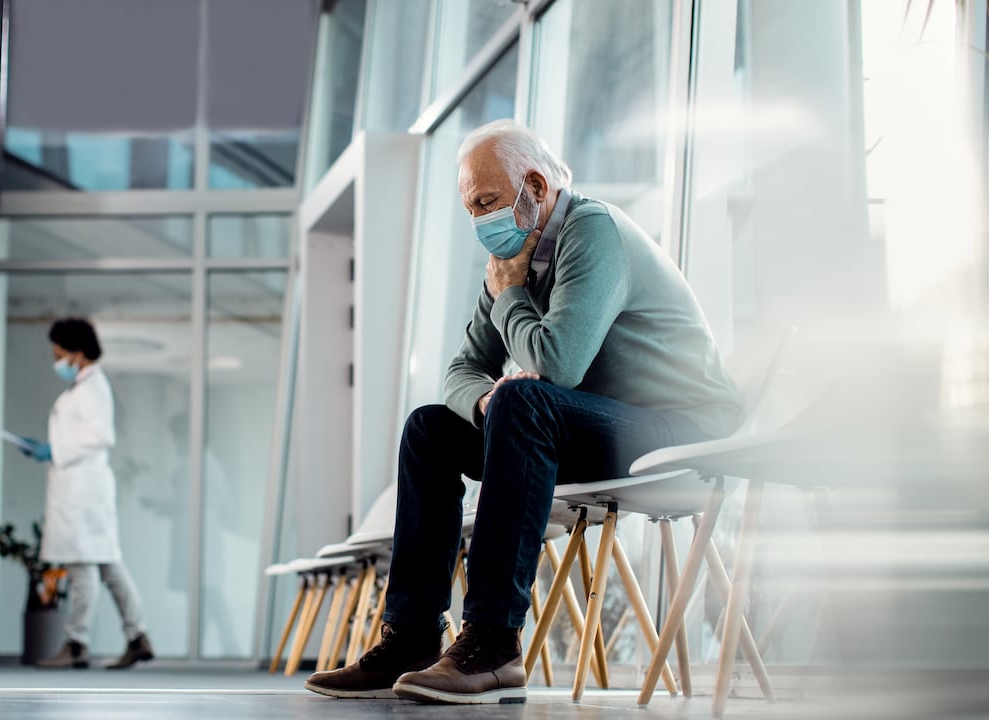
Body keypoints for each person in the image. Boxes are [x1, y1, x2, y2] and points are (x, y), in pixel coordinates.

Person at [304, 120, 742, 704]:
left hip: (685, 432)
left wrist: (510, 300)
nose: (479, 221)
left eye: (486, 202)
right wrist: (485, 398)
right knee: (430, 429)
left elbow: (557, 367)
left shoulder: (592, 232)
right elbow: (461, 372)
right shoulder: (513, 260)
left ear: (535, 187)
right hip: (603, 425)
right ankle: (411, 636)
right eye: (470, 208)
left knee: (525, 397)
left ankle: (493, 641)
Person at [23, 317, 156, 670]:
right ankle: (137, 635)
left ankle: (77, 642)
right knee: (109, 565)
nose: (57, 360)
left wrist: (55, 449)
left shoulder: (93, 387)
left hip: (83, 488)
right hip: (82, 486)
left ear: (77, 352)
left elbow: (101, 436)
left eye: (59, 353)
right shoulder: (83, 386)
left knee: (82, 567)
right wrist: (51, 449)